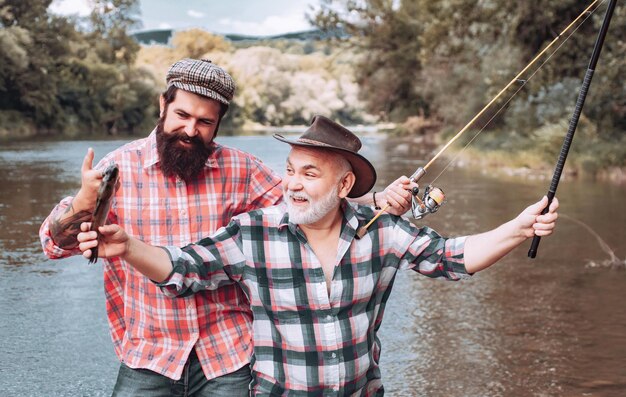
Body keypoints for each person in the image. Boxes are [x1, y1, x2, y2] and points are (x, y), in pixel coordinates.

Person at [76, 115, 560, 396]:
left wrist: (517, 228)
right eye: (289, 171)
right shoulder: (254, 233)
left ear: (344, 185)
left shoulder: (384, 232)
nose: (291, 183)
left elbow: (453, 257)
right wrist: (128, 248)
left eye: (309, 173)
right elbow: (181, 267)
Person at [39, 59, 415, 396]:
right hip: (148, 353)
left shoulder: (242, 169)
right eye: (182, 115)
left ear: (219, 123)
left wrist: (378, 202)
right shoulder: (118, 166)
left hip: (228, 354)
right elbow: (53, 245)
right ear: (162, 105)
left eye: (204, 122)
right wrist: (84, 203)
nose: (190, 130)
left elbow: (308, 209)